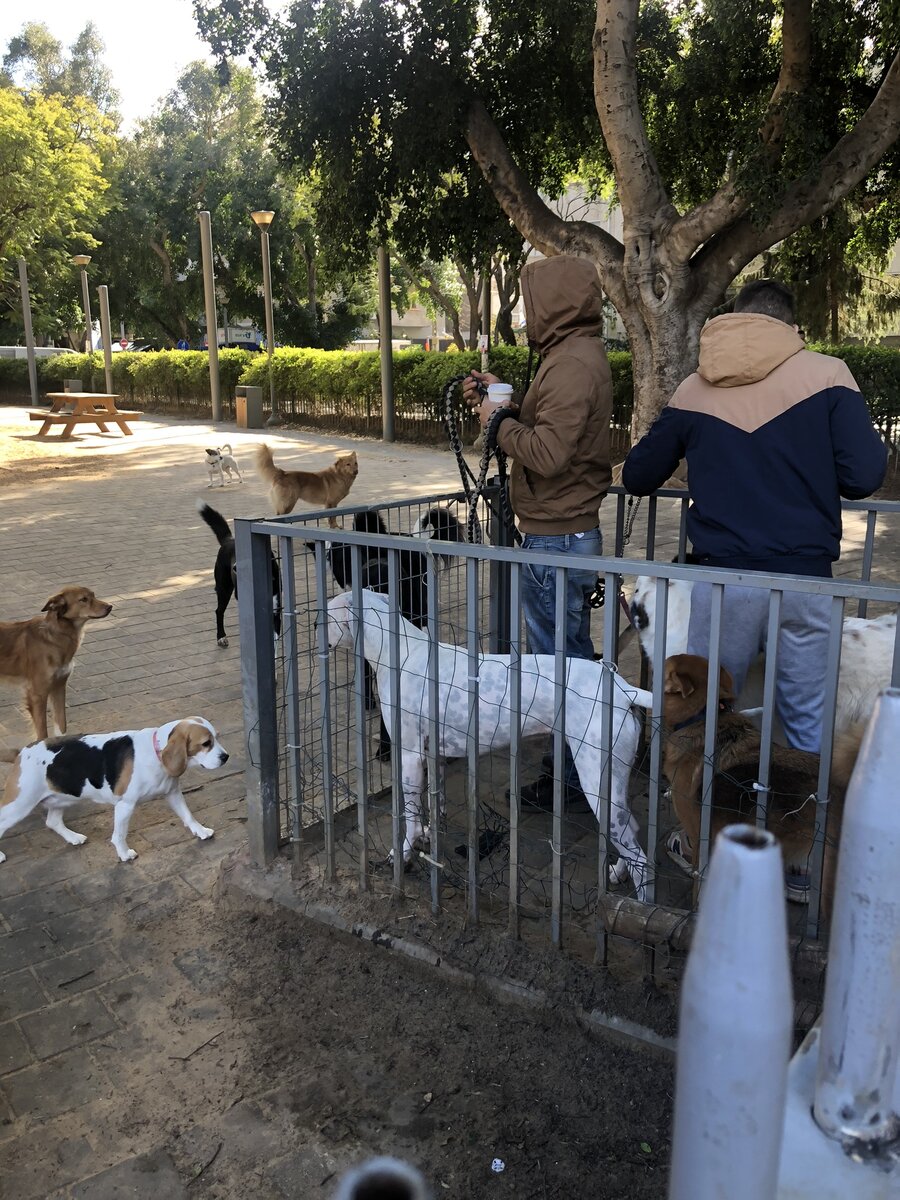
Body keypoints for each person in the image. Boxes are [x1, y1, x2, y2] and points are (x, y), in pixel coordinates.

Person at [622, 279, 887, 888]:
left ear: (734, 322)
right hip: (805, 582)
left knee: (707, 716)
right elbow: (866, 473)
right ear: (791, 327)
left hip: (723, 579)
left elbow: (638, 473)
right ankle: (796, 862)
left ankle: (716, 846)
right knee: (805, 721)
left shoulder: (696, 386)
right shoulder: (827, 374)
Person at [464, 253, 612, 809]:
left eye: (532, 304)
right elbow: (552, 426)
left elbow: (548, 453)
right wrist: (508, 399)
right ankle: (577, 770)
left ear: (553, 303)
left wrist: (498, 424)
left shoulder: (571, 363)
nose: (527, 316)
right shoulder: (569, 356)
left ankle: (572, 779)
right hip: (559, 532)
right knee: (566, 657)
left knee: (557, 666)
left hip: (557, 536)